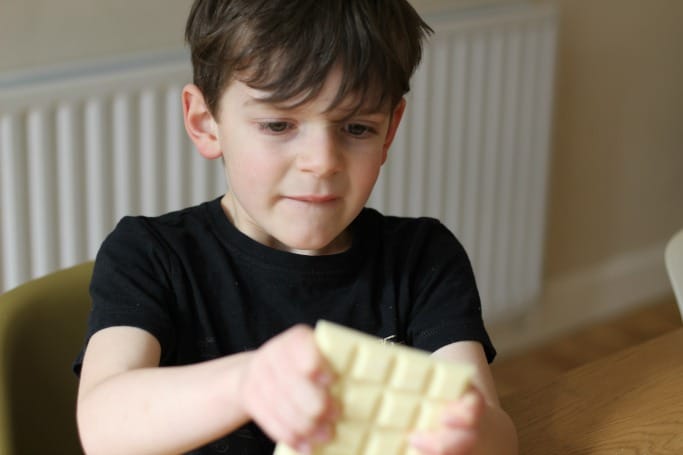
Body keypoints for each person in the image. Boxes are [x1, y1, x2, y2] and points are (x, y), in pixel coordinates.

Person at [74, 0, 518, 454]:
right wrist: (246, 382)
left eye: (357, 128)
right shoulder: (151, 254)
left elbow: (497, 434)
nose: (322, 162)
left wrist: (468, 436)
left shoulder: (423, 259)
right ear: (206, 122)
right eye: (279, 124)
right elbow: (104, 428)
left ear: (389, 131)